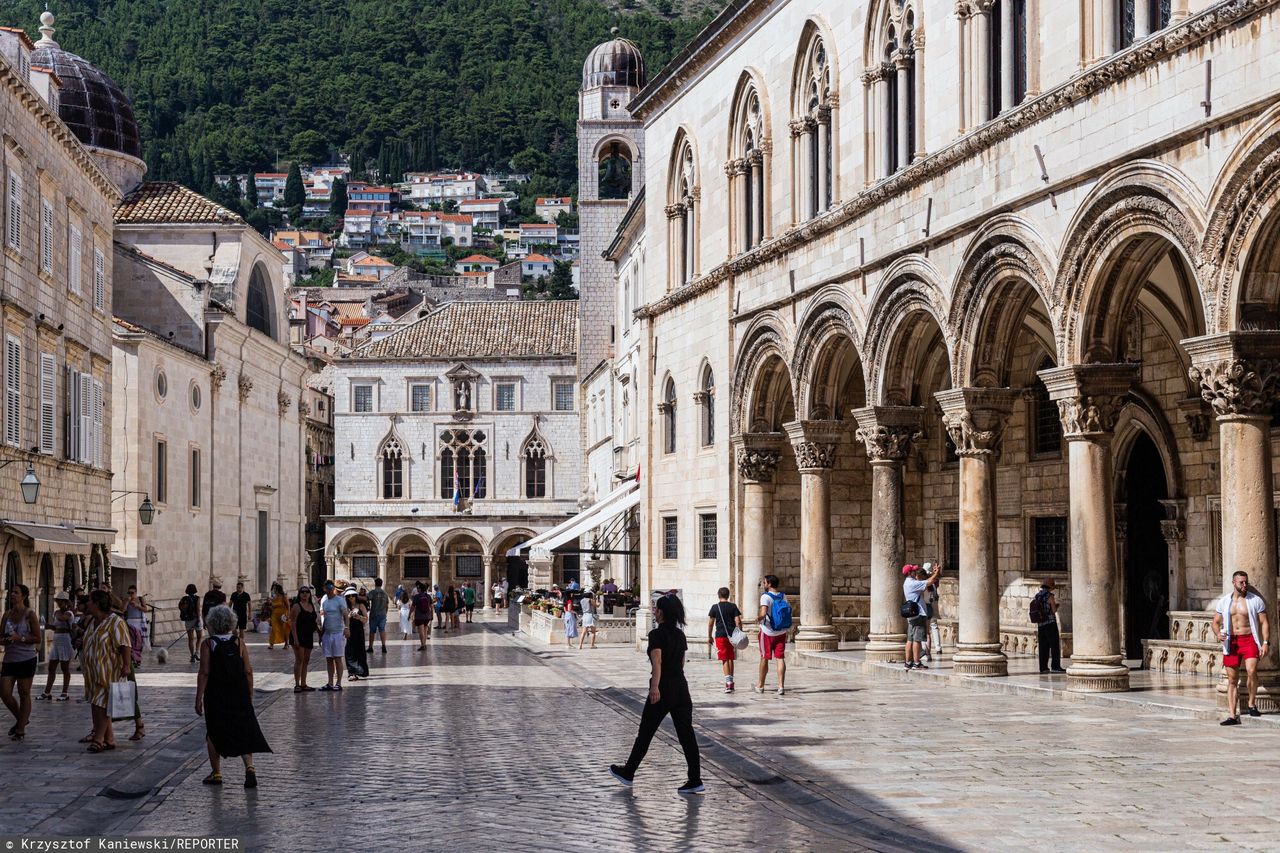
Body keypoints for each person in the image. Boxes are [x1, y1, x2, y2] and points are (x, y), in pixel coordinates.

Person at [608, 594, 703, 795]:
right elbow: (681, 662)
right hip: (681, 687)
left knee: (646, 733)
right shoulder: (680, 635)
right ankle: (695, 779)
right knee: (687, 735)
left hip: (663, 687)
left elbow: (657, 661)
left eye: (656, 608)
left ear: (661, 612)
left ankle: (628, 772)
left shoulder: (656, 634)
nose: (654, 611)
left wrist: (655, 687)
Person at [196, 605, 271, 787]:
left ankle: (217, 773)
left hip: (216, 693)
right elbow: (248, 670)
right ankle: (250, 768)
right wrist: (249, 693)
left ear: (212, 622)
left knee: (213, 732)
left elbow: (204, 672)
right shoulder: (238, 642)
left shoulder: (208, 643)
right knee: (243, 728)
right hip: (238, 692)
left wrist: (198, 697)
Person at [1213, 570, 1271, 725]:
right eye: (1241, 582)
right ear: (1234, 583)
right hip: (1231, 642)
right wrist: (1218, 634)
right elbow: (1215, 622)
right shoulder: (1224, 601)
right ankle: (1232, 715)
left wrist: (1265, 642)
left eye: (1246, 582)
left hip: (1249, 639)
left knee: (1252, 671)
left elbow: (1264, 622)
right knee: (1232, 680)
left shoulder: (1255, 600)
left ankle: (1252, 704)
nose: (1245, 585)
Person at [80, 589, 131, 752]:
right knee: (97, 703)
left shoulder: (115, 622)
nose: (86, 604)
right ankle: (109, 738)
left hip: (109, 670)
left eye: (89, 601)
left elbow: (124, 644)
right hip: (93, 672)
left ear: (97, 604)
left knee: (101, 704)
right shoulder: (92, 622)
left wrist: (126, 665)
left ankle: (99, 738)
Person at [0, 585, 41, 741]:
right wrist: (5, 640)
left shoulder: (30, 615)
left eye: (16, 592)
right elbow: (0, 636)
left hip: (26, 658)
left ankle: (21, 729)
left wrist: (21, 638)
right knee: (4, 692)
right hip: (10, 658)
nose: (12, 594)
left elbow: (37, 638)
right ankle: (21, 719)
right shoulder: (7, 615)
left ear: (23, 596)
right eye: (12, 592)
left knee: (24, 693)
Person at [903, 563, 942, 670]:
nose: (915, 572)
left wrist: (934, 575)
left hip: (912, 615)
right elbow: (929, 582)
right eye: (913, 571)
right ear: (909, 573)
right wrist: (937, 573)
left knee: (910, 639)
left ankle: (908, 662)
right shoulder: (912, 584)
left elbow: (927, 583)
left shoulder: (907, 583)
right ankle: (916, 663)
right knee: (917, 639)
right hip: (918, 614)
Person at [755, 575, 789, 695]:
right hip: (781, 631)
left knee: (764, 657)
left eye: (764, 582)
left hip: (768, 632)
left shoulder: (765, 597)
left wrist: (758, 618)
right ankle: (781, 686)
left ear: (769, 584)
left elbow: (764, 613)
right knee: (780, 658)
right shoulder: (783, 596)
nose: (763, 584)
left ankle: (760, 685)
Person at [38, 594, 76, 701]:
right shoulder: (56, 613)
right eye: (58, 601)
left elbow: (63, 619)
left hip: (65, 640)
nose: (59, 603)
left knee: (65, 668)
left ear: (66, 602)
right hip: (57, 640)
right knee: (51, 668)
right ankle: (47, 692)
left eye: (61, 601)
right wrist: (47, 626)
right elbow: (55, 627)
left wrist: (58, 614)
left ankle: (65, 692)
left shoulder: (69, 613)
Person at [707, 587, 743, 693]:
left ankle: (728, 683)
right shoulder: (733, 606)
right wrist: (739, 632)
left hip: (721, 635)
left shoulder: (715, 607)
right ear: (728, 595)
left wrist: (709, 636)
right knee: (730, 657)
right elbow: (738, 621)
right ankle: (731, 682)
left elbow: (710, 623)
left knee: (724, 658)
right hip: (732, 635)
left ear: (718, 595)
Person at [1032, 578, 1066, 674]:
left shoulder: (1038, 595)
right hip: (1050, 623)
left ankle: (1043, 668)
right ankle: (1055, 667)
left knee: (1043, 646)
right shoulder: (1049, 596)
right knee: (1054, 645)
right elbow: (1054, 610)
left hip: (1041, 624)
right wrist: (1056, 605)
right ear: (1050, 587)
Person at [320, 583, 350, 691]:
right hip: (327, 633)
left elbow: (345, 615)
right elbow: (325, 618)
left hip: (338, 633)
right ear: (324, 589)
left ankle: (338, 683)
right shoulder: (324, 602)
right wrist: (321, 634)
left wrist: (346, 628)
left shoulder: (340, 600)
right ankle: (330, 682)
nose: (329, 589)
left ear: (333, 588)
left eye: (331, 587)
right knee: (329, 659)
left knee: (337, 658)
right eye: (327, 587)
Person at [289, 587, 319, 692]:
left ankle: (304, 684)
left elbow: (314, 621)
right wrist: (296, 639)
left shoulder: (311, 606)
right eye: (302, 592)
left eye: (307, 592)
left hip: (308, 636)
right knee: (299, 660)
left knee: (306, 660)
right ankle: (297, 684)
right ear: (299, 594)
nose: (305, 594)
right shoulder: (297, 606)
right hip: (298, 636)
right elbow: (292, 623)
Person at [345, 589, 369, 680]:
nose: (351, 597)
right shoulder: (346, 607)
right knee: (350, 651)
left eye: (352, 595)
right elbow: (343, 619)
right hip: (349, 631)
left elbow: (366, 619)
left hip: (358, 631)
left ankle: (361, 671)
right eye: (349, 596)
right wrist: (349, 616)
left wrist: (359, 617)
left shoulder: (361, 605)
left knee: (360, 650)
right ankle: (351, 672)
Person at [179, 584, 202, 662]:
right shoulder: (197, 598)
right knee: (199, 637)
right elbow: (198, 609)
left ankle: (192, 656)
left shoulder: (184, 599)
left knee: (190, 639)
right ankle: (197, 653)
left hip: (188, 620)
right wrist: (199, 619)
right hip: (196, 619)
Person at [366, 578, 390, 654]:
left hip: (374, 615)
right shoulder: (385, 594)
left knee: (372, 631)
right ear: (381, 584)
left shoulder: (373, 592)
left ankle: (370, 647)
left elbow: (367, 598)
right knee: (382, 630)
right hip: (382, 615)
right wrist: (385, 614)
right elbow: (387, 605)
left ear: (375, 584)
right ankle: (383, 646)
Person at [124, 585, 150, 654]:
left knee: (138, 639)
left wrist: (137, 606)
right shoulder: (127, 600)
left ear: (135, 592)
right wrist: (126, 602)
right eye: (128, 593)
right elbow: (122, 610)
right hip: (130, 621)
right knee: (130, 639)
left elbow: (146, 609)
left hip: (139, 622)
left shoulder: (140, 599)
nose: (130, 594)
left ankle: (138, 653)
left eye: (132, 593)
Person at [411, 583, 433, 649]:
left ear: (420, 589)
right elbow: (432, 606)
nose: (417, 589)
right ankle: (425, 644)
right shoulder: (428, 596)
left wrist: (409, 614)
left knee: (421, 631)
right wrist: (432, 615)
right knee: (425, 630)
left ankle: (422, 645)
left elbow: (412, 607)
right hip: (427, 616)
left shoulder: (416, 596)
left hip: (419, 616)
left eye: (418, 588)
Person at [267, 583, 288, 650]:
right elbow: (272, 606)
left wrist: (288, 614)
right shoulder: (274, 597)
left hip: (282, 614)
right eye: (273, 589)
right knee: (274, 628)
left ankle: (286, 644)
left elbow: (288, 605)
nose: (273, 590)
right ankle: (271, 644)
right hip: (274, 614)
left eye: (275, 589)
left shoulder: (283, 596)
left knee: (284, 629)